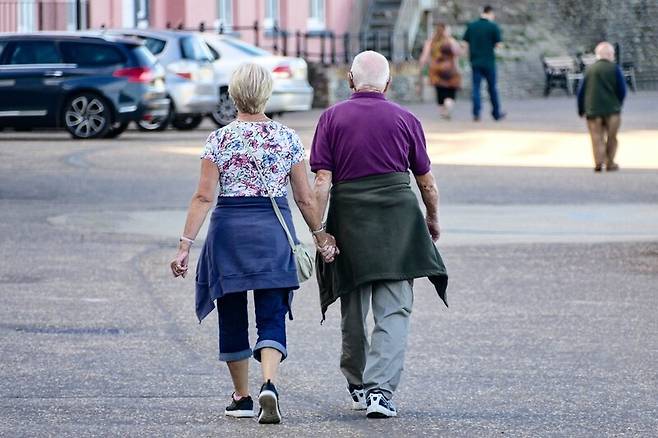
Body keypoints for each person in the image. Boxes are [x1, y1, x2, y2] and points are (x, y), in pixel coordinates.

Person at [169, 63, 337, 424]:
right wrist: (321, 237)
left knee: (231, 314)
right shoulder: (288, 138)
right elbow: (305, 198)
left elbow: (203, 197)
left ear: (233, 95)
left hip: (228, 235)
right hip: (273, 235)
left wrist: (185, 244)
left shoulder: (220, 139)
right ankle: (270, 384)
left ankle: (242, 397)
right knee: (272, 314)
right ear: (267, 94)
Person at [310, 51, 448, 419]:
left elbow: (322, 180)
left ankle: (357, 382)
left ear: (350, 81)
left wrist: (319, 230)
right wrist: (431, 220)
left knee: (352, 305)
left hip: (349, 218)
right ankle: (380, 393)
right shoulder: (406, 119)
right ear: (388, 83)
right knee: (394, 308)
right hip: (397, 222)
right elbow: (426, 183)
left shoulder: (331, 118)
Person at [577, 42, 627, 172]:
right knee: (612, 137)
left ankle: (598, 163)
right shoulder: (614, 68)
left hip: (593, 111)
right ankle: (610, 162)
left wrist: (581, 109)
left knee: (596, 137)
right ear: (610, 55)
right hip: (612, 110)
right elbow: (622, 90)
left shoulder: (589, 70)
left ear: (598, 55)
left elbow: (581, 92)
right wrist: (618, 104)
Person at [462, 5, 505, 121]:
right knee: (492, 88)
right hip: (489, 63)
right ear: (490, 13)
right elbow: (499, 45)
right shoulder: (493, 27)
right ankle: (496, 113)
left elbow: (464, 44)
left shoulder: (472, 26)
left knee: (476, 88)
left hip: (475, 62)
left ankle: (476, 113)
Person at [419, 23, 463, 120]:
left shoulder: (431, 42)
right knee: (451, 91)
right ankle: (448, 104)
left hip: (436, 69)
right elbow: (458, 53)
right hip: (450, 69)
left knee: (440, 91)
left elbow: (424, 57)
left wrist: (422, 67)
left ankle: (442, 110)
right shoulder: (451, 41)